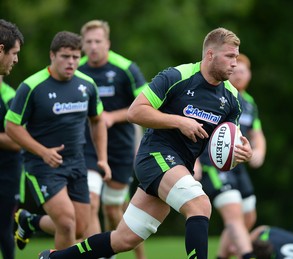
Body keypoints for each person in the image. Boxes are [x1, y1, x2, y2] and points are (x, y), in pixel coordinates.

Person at [38, 27, 253, 259]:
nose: (235, 62)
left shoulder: (232, 98)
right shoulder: (176, 77)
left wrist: (243, 151)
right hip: (155, 155)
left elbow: (227, 143)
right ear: (210, 55)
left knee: (124, 239)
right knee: (200, 205)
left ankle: (53, 257)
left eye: (236, 56)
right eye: (230, 56)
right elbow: (135, 112)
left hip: (181, 166)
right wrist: (179, 122)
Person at [5, 31, 111, 250]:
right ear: (52, 56)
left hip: (77, 162)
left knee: (80, 228)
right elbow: (11, 127)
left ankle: (29, 221)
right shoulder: (31, 86)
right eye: (65, 56)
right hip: (42, 165)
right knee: (66, 222)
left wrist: (102, 158)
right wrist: (42, 151)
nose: (71, 62)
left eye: (75, 57)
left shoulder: (87, 85)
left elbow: (98, 120)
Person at [78, 20, 147, 259]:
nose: (93, 46)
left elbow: (145, 105)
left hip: (120, 147)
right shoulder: (77, 69)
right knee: (91, 203)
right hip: (87, 148)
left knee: (113, 209)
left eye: (98, 41)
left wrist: (111, 117)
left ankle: (140, 255)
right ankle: (102, 255)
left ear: (107, 43)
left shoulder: (126, 68)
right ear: (82, 45)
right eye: (88, 42)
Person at [196, 53, 266, 259]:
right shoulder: (218, 95)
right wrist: (196, 161)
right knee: (234, 215)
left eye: (243, 71)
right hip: (214, 164)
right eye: (234, 70)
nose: (238, 75)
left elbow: (257, 133)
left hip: (238, 166)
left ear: (249, 75)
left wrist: (258, 151)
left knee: (248, 215)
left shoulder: (250, 103)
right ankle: (246, 255)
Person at [0, 19, 23, 259]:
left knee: (4, 228)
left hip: (7, 173)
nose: (16, 60)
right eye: (14, 53)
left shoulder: (10, 96)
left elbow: (17, 140)